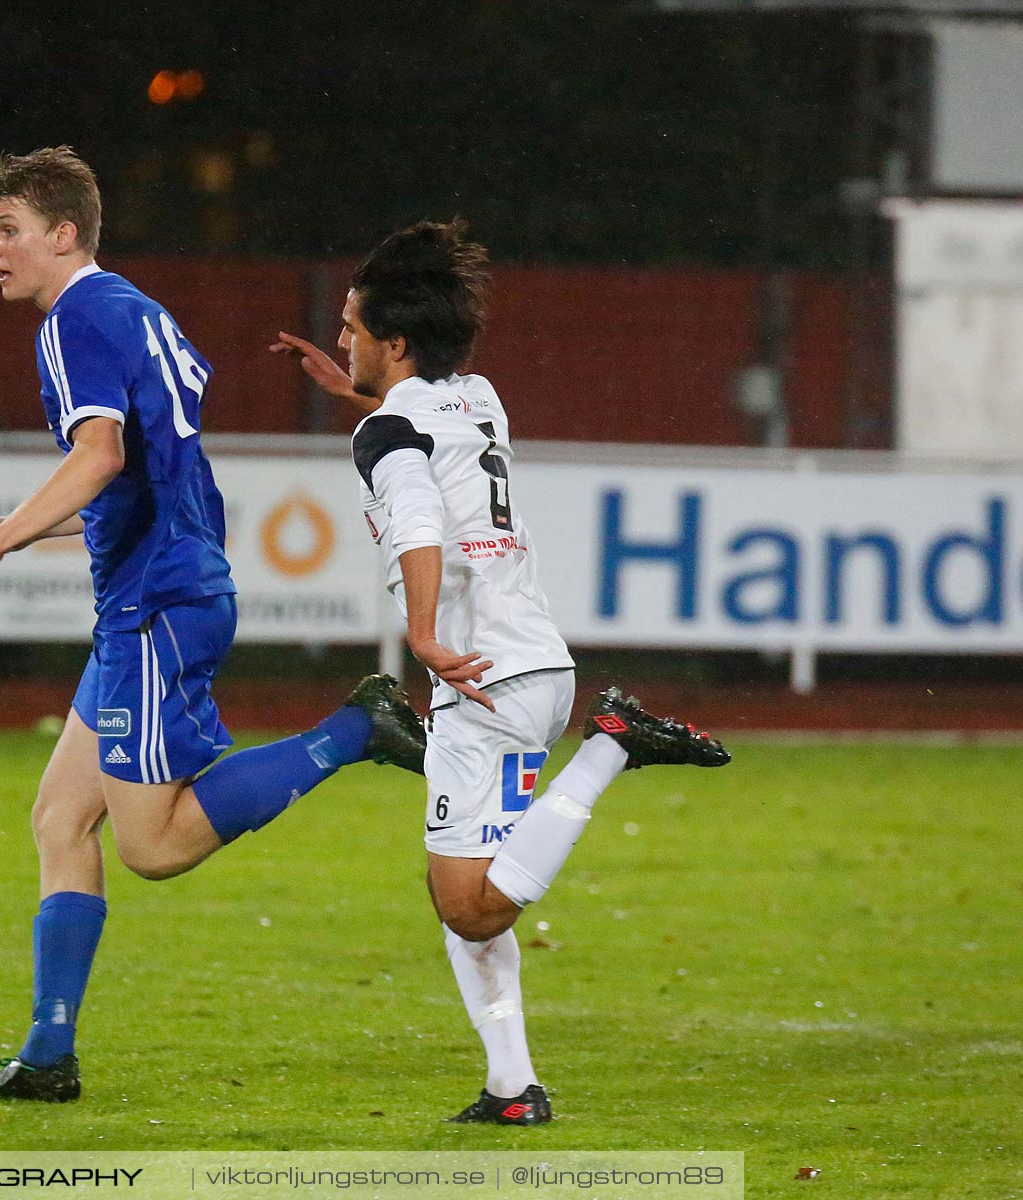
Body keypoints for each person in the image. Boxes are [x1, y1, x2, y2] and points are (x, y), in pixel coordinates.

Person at [0, 148, 478, 1103]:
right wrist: (28, 529)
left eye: (7, 229)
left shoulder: (74, 321)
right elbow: (141, 465)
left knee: (152, 847)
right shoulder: (138, 311)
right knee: (61, 819)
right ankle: (49, 1055)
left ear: (64, 235)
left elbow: (99, 453)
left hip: (156, 604)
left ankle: (355, 729)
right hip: (155, 593)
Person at [273, 219, 731, 1126]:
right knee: (467, 892)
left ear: (394, 342)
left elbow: (419, 526)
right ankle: (511, 1088)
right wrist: (359, 397)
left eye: (351, 329)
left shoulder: (390, 435)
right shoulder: (478, 398)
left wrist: (420, 635)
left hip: (482, 678)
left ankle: (609, 749)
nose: (339, 340)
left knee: (473, 908)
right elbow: (425, 443)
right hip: (530, 665)